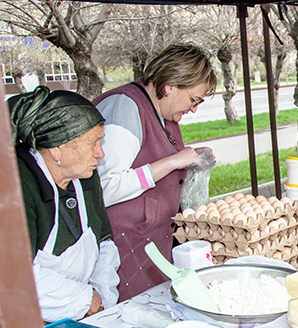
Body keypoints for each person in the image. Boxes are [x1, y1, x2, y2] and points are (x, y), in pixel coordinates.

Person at [0, 87, 120, 328]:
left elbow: (103, 237)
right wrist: (81, 298)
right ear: (57, 148)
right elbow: (11, 276)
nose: (100, 154)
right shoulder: (12, 187)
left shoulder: (84, 172)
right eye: (93, 142)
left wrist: (104, 293)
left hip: (64, 303)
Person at [93, 44, 218, 301]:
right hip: (125, 247)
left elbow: (153, 160)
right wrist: (173, 162)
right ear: (171, 84)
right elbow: (105, 187)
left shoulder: (161, 111)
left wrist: (189, 162)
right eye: (193, 99)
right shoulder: (124, 107)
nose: (194, 109)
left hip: (152, 243)